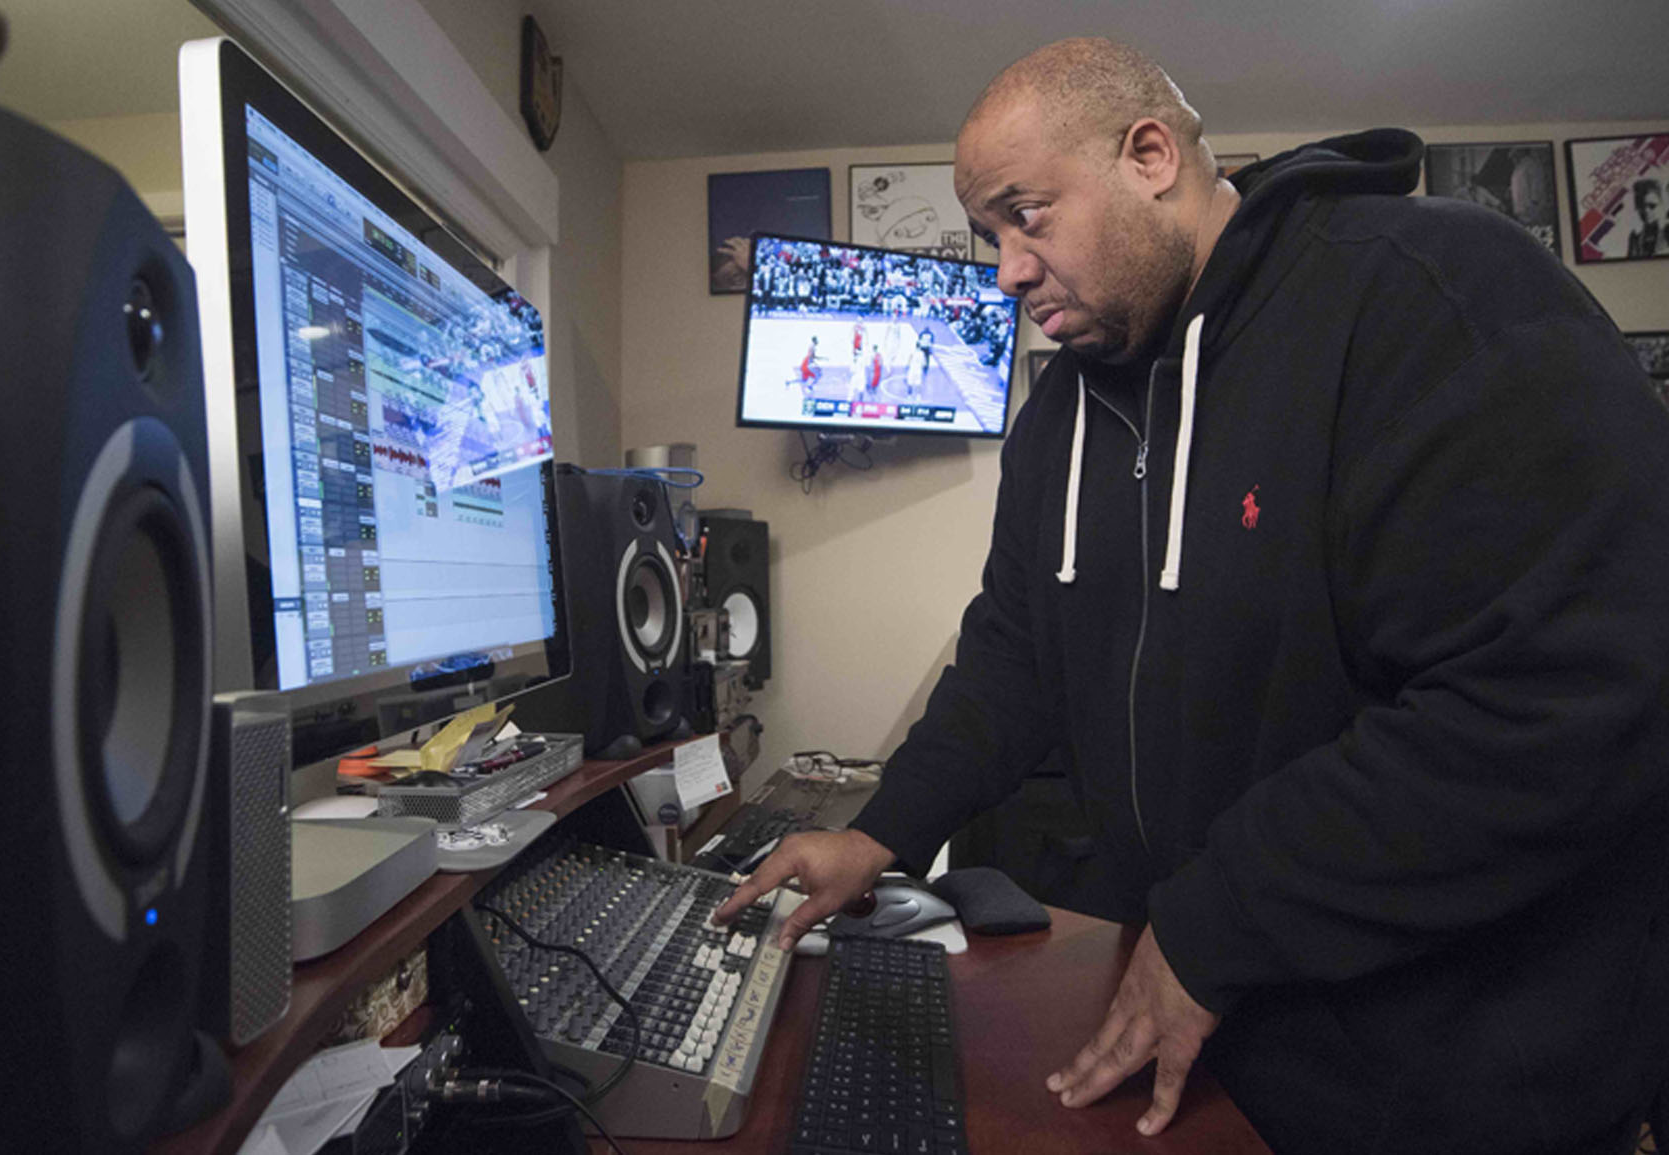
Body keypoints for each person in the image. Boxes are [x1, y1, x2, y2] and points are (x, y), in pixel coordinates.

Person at [713, 37, 1669, 1155]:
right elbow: (1014, 656)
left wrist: (1221, 920)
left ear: (1150, 155)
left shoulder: (1429, 292)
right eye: (987, 237)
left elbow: (1563, 693)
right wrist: (879, 834)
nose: (1007, 270)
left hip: (1458, 1078)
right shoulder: (1057, 416)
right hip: (1215, 1036)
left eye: (1026, 215)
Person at [1627, 177, 1664, 258]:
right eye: (1641, 206)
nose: (1646, 211)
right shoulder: (1635, 238)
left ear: (1662, 204)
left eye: (1652, 206)